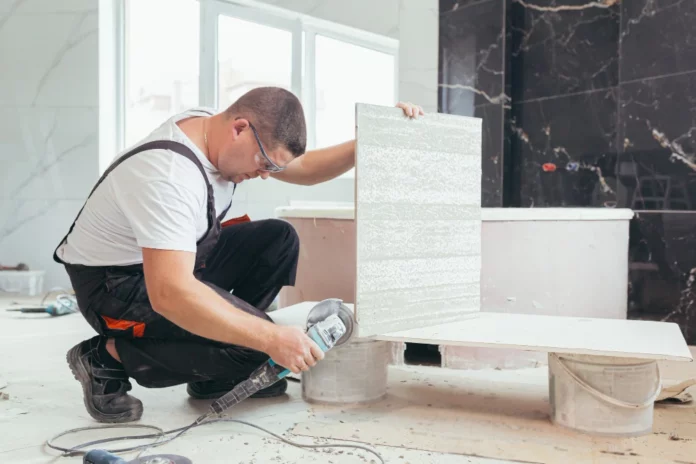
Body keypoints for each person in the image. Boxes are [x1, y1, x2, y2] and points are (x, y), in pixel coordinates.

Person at [53, 86, 424, 423]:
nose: (266, 175)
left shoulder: (215, 129)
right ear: (239, 128)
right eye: (265, 164)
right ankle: (107, 357)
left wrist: (370, 141)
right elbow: (169, 293)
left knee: (277, 238)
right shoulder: (168, 177)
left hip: (173, 262)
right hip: (115, 287)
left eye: (273, 167)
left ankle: (213, 371)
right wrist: (268, 340)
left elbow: (306, 169)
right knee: (254, 348)